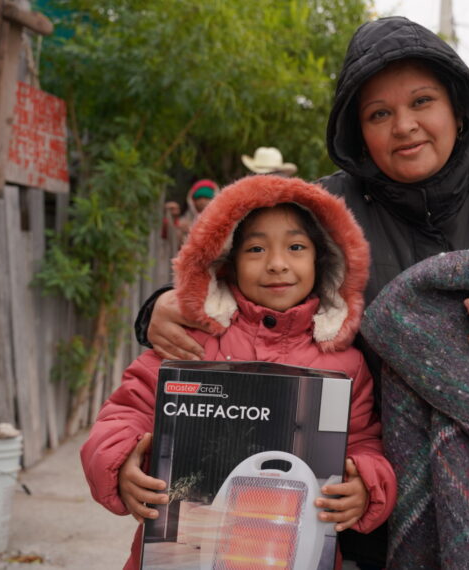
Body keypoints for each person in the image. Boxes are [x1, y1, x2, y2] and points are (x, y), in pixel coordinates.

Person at [134, 16, 469, 569]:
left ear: (456, 107)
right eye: (380, 113)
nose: (405, 126)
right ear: (358, 132)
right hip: (355, 501)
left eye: (422, 101)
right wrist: (159, 306)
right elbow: (247, 275)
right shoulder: (323, 211)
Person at [82, 175, 397, 570]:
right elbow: (126, 412)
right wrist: (120, 460)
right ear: (227, 260)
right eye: (256, 248)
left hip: (292, 552)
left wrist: (366, 486)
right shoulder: (191, 343)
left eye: (296, 247)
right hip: (187, 553)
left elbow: (364, 444)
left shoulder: (345, 363)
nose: (277, 263)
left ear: (324, 259)